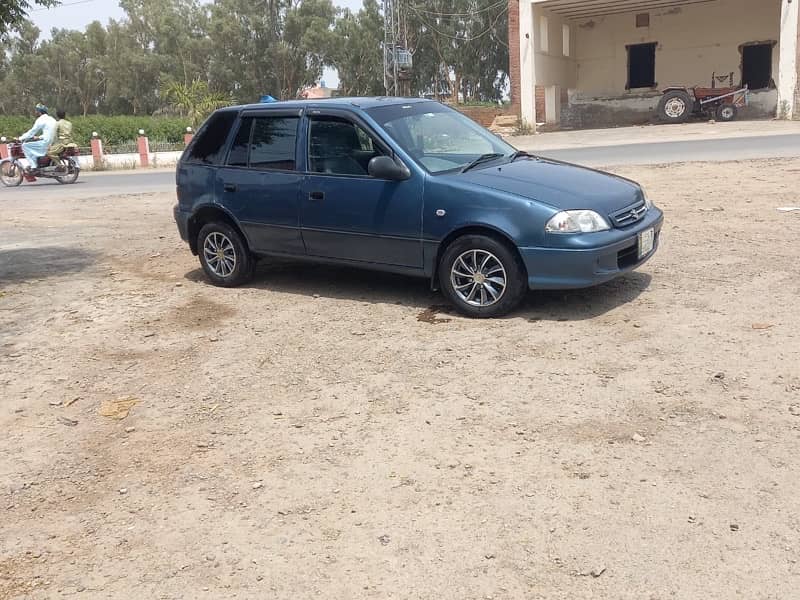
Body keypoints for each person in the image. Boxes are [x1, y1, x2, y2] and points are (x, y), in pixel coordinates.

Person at [18, 103, 57, 172]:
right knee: (33, 145)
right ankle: (39, 164)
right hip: (53, 141)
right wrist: (39, 137)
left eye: (36, 111)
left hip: (46, 142)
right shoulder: (52, 119)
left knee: (25, 146)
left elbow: (32, 132)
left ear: (39, 112)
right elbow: (49, 131)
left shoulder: (41, 119)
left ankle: (33, 166)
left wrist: (20, 138)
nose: (35, 112)